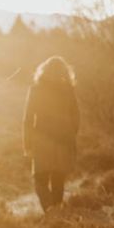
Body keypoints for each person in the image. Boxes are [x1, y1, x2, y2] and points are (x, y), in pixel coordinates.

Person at [23, 56, 80, 212]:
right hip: (64, 140)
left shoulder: (36, 89)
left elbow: (28, 118)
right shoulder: (68, 90)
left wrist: (27, 144)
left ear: (43, 71)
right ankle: (55, 213)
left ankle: (50, 211)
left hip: (41, 140)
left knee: (39, 179)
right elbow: (76, 117)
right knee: (58, 179)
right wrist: (70, 134)